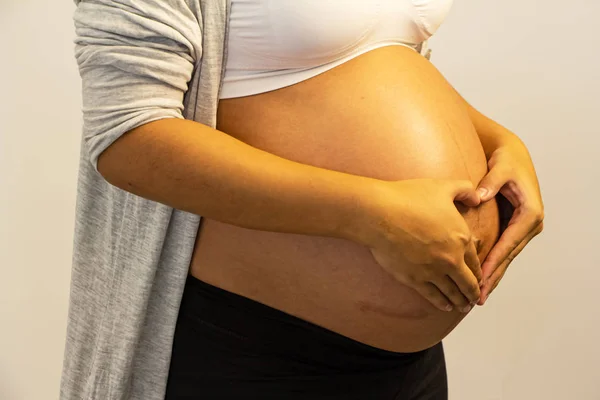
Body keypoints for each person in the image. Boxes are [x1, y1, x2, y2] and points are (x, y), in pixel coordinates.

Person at [60, 0, 544, 399]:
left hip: (404, 369)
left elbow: (379, 56)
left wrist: (500, 141)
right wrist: (370, 215)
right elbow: (128, 138)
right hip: (249, 351)